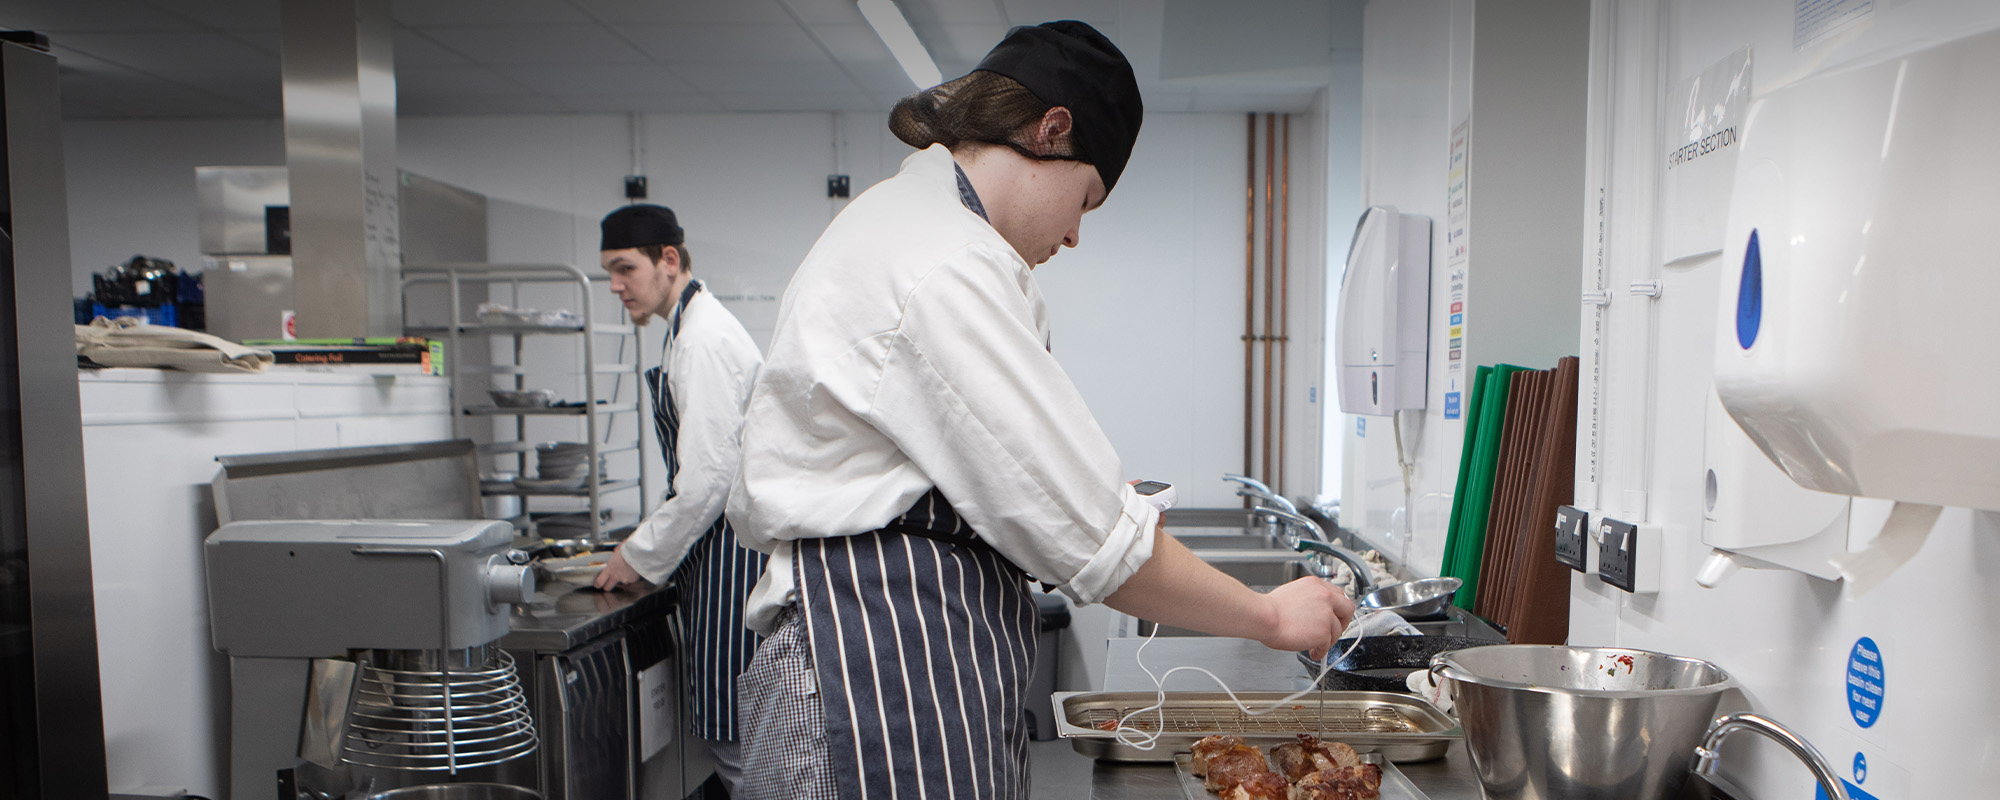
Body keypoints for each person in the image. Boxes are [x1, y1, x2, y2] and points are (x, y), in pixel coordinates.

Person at [726, 21, 1357, 800]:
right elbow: (1097, 546)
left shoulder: (905, 231)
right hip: (873, 676)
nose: (1074, 233)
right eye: (1084, 199)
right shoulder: (942, 258)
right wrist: (1270, 615)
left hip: (891, 662)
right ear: (1052, 130)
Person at [591, 204, 765, 796]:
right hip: (718, 557)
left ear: (669, 260)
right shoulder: (687, 331)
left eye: (624, 269)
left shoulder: (703, 341)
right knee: (735, 742)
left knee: (738, 739)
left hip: (733, 564)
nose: (616, 286)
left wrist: (635, 557)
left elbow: (706, 482)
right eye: (609, 273)